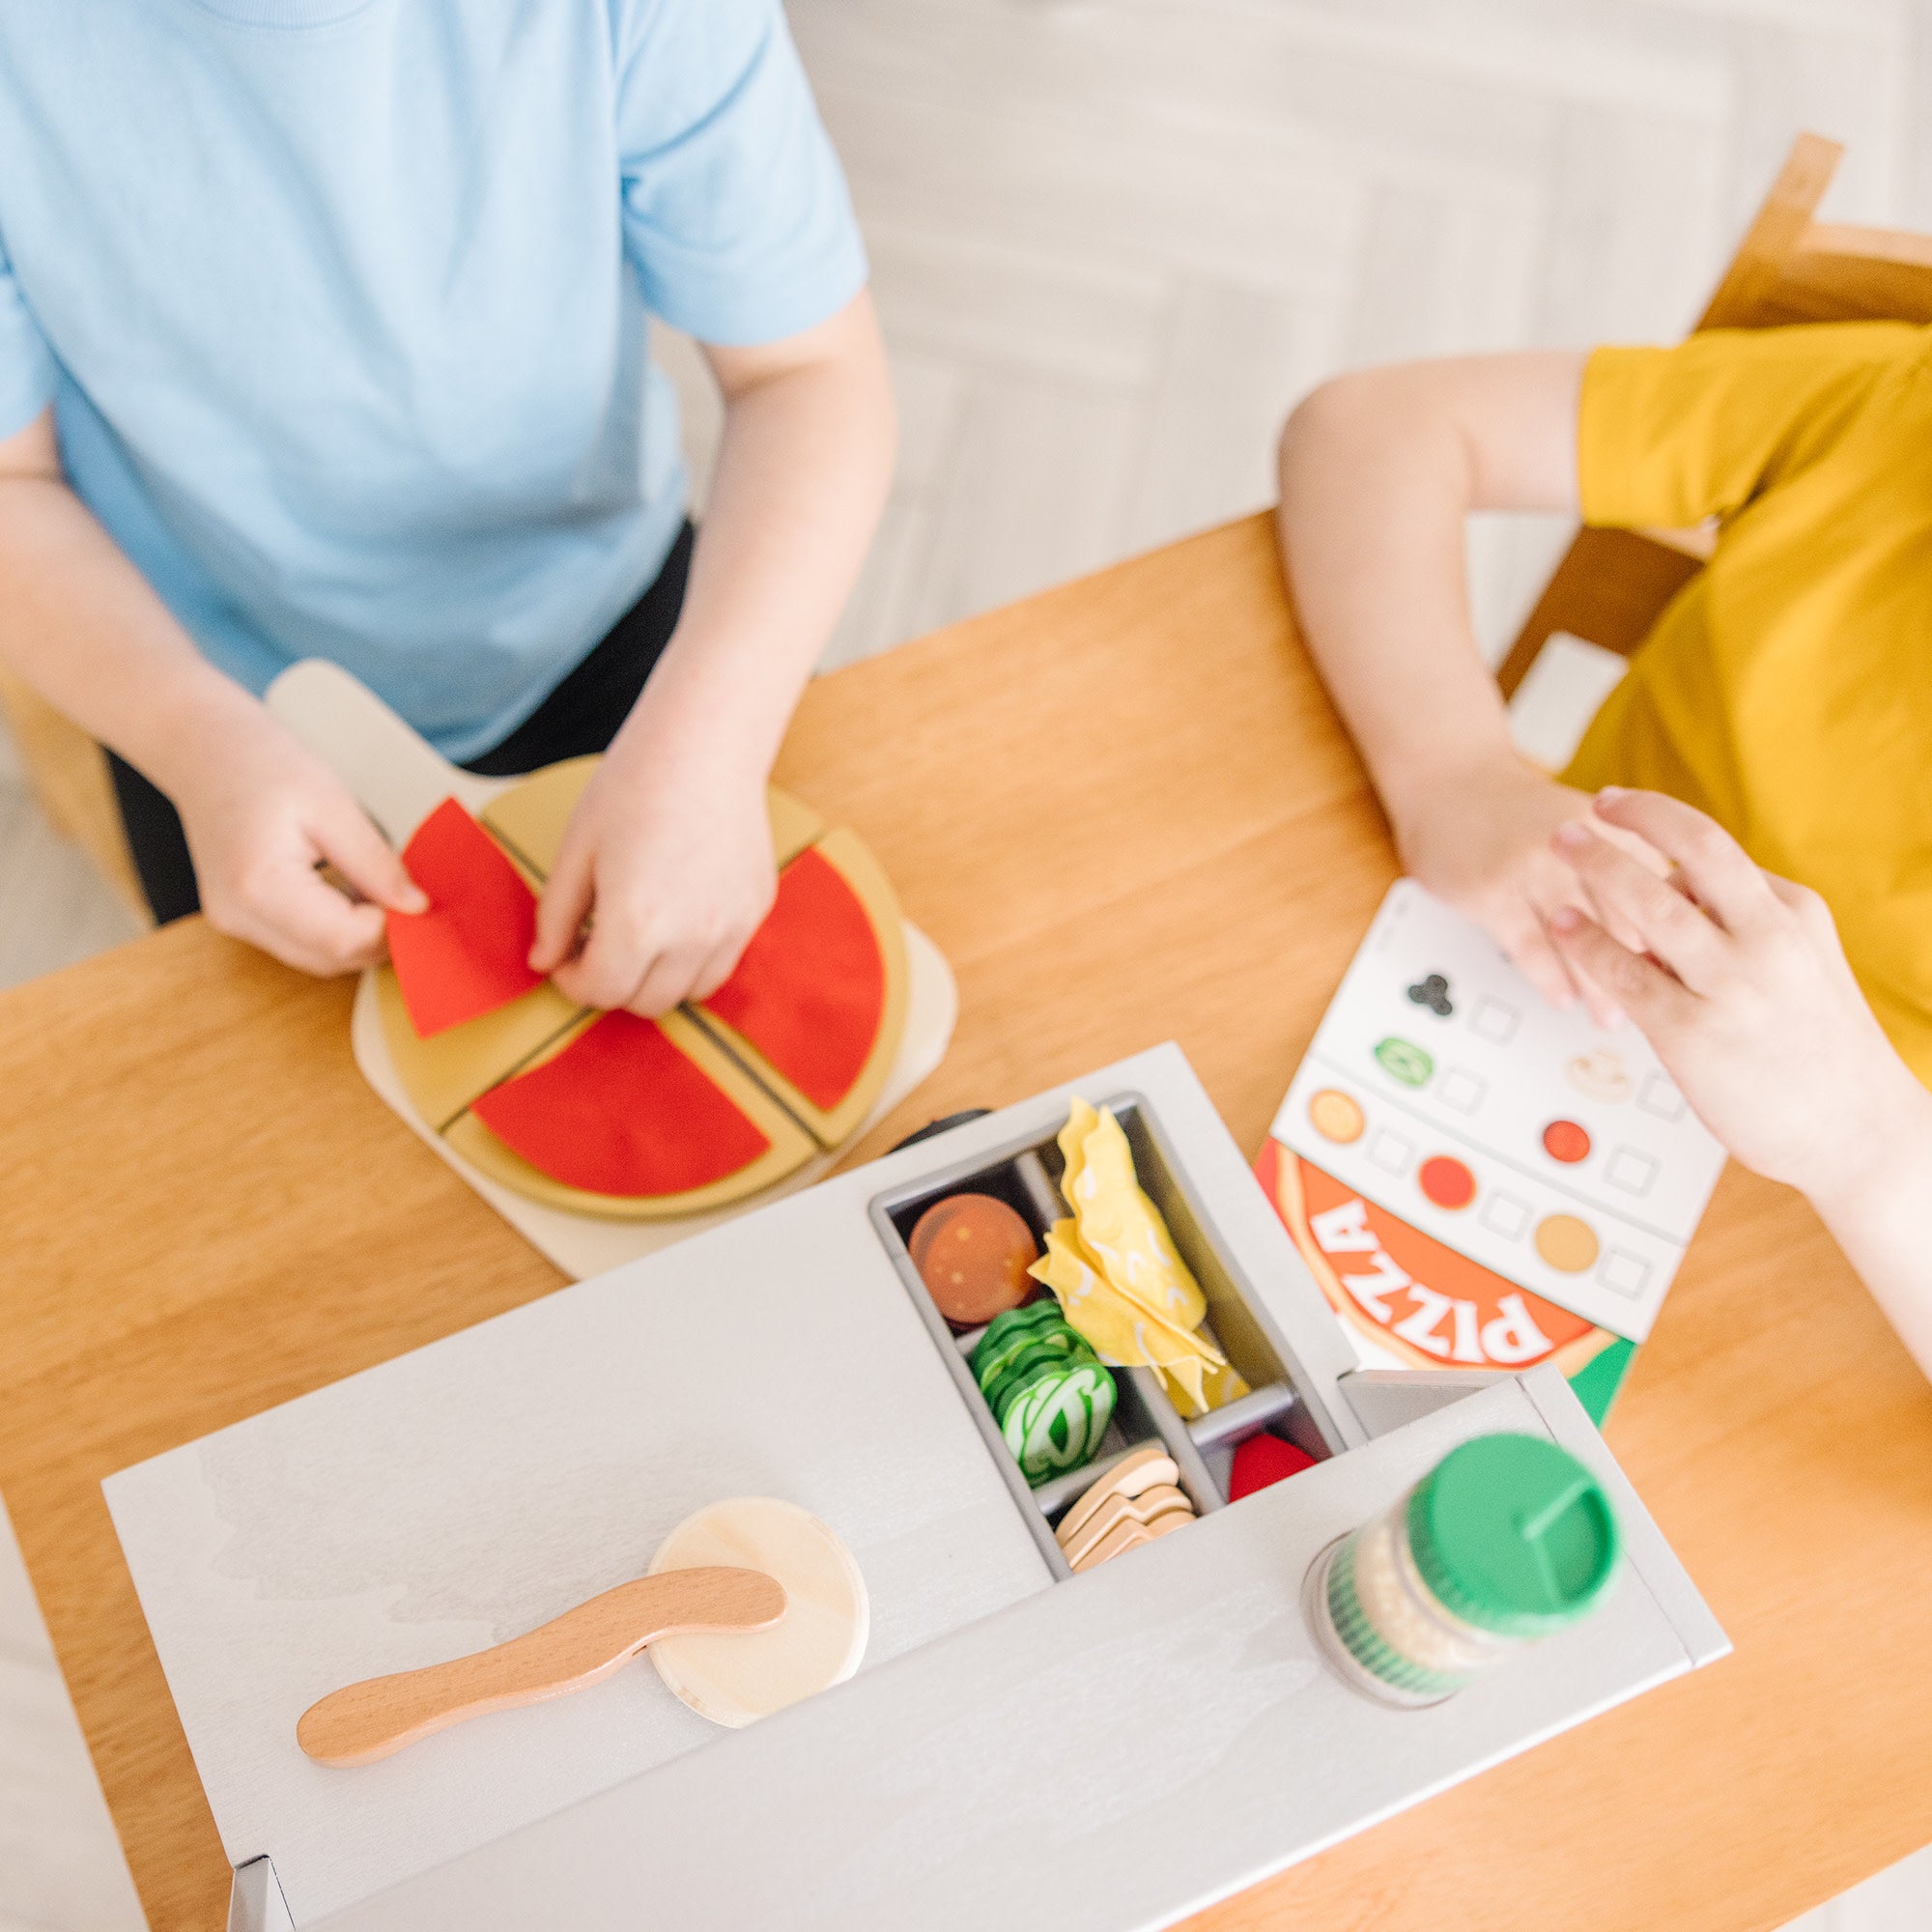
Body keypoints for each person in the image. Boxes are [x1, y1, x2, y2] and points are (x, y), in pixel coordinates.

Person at [0, 0, 895, 1020]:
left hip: (628, 634)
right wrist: (194, 739)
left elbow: (807, 372)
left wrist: (712, 745)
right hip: (206, 703)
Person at [1274, 331, 1932, 1374]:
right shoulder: (1898, 406)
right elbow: (1366, 429)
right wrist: (1453, 769)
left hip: (1831, 1258)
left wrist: (1865, 1143)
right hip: (1514, 955)